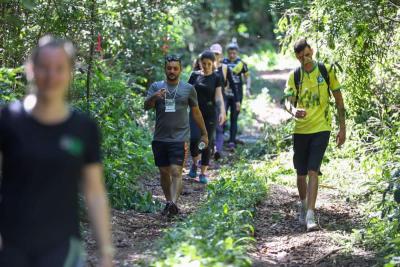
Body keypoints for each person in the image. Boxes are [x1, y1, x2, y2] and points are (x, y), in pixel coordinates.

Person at [0, 36, 114, 267]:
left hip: (62, 247)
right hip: (11, 246)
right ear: (31, 69)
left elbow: (94, 193)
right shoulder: (8, 120)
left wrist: (106, 251)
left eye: (59, 68)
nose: (51, 76)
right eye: (44, 67)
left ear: (70, 72)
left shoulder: (83, 128)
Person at [284, 38, 346, 231]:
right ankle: (303, 206)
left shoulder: (326, 70)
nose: (306, 59)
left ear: (312, 51)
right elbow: (287, 102)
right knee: (301, 174)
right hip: (301, 130)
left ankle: (311, 214)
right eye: (302, 57)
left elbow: (339, 100)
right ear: (297, 57)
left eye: (308, 54)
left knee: (313, 171)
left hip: (322, 128)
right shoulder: (294, 76)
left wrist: (342, 128)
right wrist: (294, 111)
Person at [144, 55, 208, 216]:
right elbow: (146, 106)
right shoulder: (156, 87)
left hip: (180, 138)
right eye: (169, 68)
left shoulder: (188, 89)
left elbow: (196, 112)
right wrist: (154, 96)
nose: (172, 71)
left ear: (180, 70)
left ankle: (173, 203)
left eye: (175, 68)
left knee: (176, 171)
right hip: (159, 138)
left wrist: (204, 133)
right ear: (165, 69)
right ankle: (168, 202)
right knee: (164, 172)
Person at [188, 51, 226, 183]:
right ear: (200, 63)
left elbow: (218, 96)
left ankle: (203, 173)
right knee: (193, 139)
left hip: (210, 114)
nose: (206, 66)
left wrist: (222, 111)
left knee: (206, 142)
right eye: (204, 63)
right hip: (194, 112)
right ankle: (194, 164)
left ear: (213, 63)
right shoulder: (194, 76)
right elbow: (186, 92)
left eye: (209, 64)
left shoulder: (216, 77)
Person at [210, 43, 240, 160]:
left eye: (217, 54)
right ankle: (210, 147)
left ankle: (218, 149)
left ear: (220, 55)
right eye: (213, 53)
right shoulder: (205, 66)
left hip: (221, 100)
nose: (215, 56)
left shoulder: (225, 68)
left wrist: (237, 100)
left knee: (219, 126)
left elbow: (232, 84)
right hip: (207, 101)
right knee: (208, 126)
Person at [222, 42, 251, 149]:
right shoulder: (223, 62)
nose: (232, 55)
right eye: (230, 53)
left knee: (234, 117)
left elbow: (248, 77)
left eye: (234, 53)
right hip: (224, 94)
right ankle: (222, 136)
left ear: (237, 53)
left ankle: (232, 141)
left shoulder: (241, 63)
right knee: (222, 116)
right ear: (227, 53)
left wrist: (248, 88)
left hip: (237, 95)